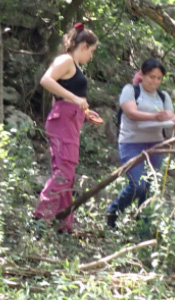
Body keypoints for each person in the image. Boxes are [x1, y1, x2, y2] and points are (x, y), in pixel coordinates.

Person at [33, 22, 98, 233]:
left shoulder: (76, 67)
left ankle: (64, 225)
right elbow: (46, 80)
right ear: (84, 46)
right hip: (63, 122)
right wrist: (74, 99)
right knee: (64, 170)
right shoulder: (66, 60)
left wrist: (86, 113)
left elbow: (66, 95)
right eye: (92, 51)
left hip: (71, 121)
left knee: (68, 174)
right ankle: (39, 218)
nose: (91, 56)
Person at [106, 58, 175, 229]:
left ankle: (143, 226)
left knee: (150, 187)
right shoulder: (130, 90)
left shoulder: (163, 96)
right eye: (151, 77)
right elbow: (132, 113)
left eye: (158, 78)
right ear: (142, 75)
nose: (154, 81)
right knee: (137, 184)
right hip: (131, 143)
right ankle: (113, 210)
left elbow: (170, 116)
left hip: (156, 144)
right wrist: (155, 117)